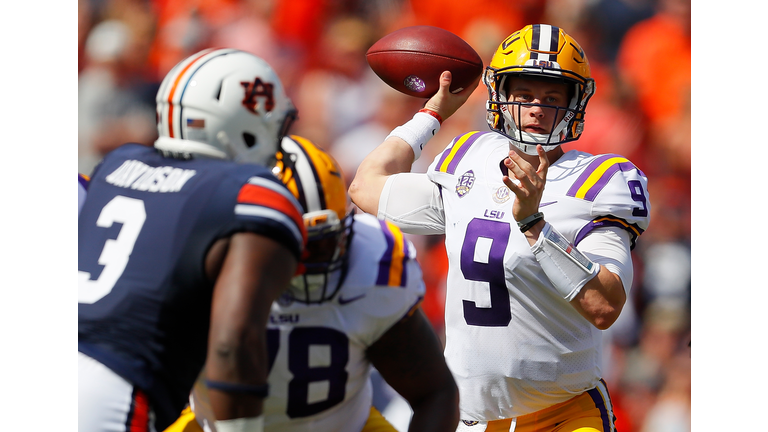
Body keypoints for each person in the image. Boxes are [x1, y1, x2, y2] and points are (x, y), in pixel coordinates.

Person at [349, 24, 651, 432]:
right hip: (470, 419)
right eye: (524, 95)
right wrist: (432, 115)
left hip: (562, 415)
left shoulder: (599, 179)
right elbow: (367, 187)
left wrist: (533, 223)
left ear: (575, 102)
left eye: (551, 97)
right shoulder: (469, 157)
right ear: (500, 97)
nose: (537, 108)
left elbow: (604, 306)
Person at [163, 136, 459, 432]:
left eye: (322, 243)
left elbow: (434, 393)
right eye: (296, 248)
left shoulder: (370, 263)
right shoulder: (195, 267)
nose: (312, 263)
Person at [78, 48, 307, 432]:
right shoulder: (250, 193)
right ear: (245, 125)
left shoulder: (119, 163)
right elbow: (232, 343)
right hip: (111, 391)